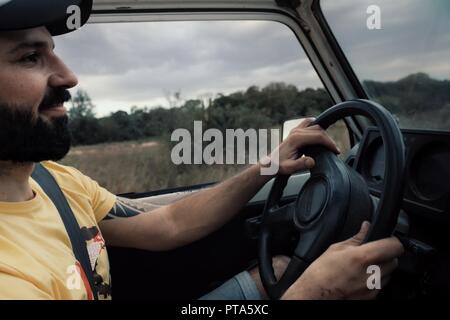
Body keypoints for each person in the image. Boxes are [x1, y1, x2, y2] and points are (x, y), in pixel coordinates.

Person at [0, 0, 404, 300]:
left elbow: (168, 223)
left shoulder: (53, 179)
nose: (69, 76)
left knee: (278, 273)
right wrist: (319, 292)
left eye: (53, 51)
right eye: (31, 57)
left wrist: (268, 167)